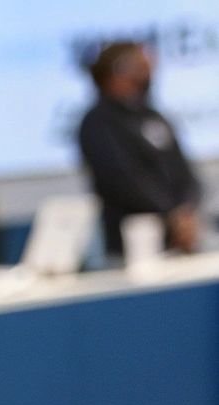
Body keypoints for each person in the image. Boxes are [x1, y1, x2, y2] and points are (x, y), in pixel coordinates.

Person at [78, 41, 203, 255]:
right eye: (139, 66)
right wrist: (169, 214)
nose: (147, 74)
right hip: (131, 245)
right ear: (117, 71)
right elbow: (122, 178)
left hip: (178, 238)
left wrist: (185, 211)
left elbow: (184, 171)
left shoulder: (153, 116)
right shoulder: (99, 121)